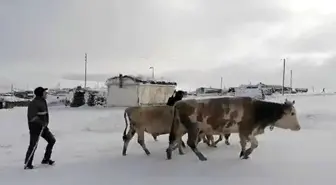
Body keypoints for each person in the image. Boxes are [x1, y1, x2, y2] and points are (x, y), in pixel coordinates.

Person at [24, 87, 56, 169]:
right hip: (35, 128)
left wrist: (45, 123)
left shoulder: (43, 101)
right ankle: (28, 163)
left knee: (52, 140)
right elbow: (32, 117)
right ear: (40, 94)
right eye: (45, 93)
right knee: (33, 145)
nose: (46, 94)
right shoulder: (33, 103)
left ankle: (46, 159)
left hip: (43, 127)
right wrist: (42, 123)